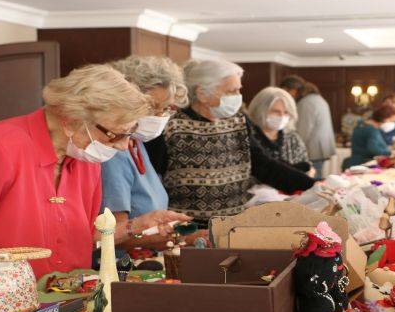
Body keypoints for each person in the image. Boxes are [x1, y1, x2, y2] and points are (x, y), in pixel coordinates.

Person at [0, 65, 190, 312]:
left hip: (54, 304)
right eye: (114, 134)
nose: (120, 146)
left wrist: (138, 226)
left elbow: (82, 235)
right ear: (70, 119)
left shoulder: (84, 157)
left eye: (127, 135)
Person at [145, 59, 315, 226]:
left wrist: (312, 185)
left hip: (234, 225)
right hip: (186, 229)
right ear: (202, 93)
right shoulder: (171, 125)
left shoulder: (239, 120)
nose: (237, 97)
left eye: (238, 90)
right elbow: (151, 179)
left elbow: (264, 166)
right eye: (231, 91)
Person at [100, 56, 203, 254]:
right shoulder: (114, 153)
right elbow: (116, 235)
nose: (160, 115)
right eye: (153, 107)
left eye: (165, 109)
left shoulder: (137, 143)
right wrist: (188, 237)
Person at [247, 86, 312, 175]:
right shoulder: (248, 138)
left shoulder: (292, 138)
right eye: (276, 111)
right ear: (260, 110)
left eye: (286, 112)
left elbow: (307, 166)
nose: (282, 116)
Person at [295, 82, 337, 178]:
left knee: (312, 176)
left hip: (312, 147)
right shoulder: (321, 100)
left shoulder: (306, 102)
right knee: (317, 173)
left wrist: (297, 147)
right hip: (322, 145)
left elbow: (304, 128)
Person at [342, 105, 395, 170]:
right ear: (384, 118)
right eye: (392, 121)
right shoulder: (372, 130)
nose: (393, 124)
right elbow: (373, 149)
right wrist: (390, 152)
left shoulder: (362, 125)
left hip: (355, 163)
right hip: (362, 164)